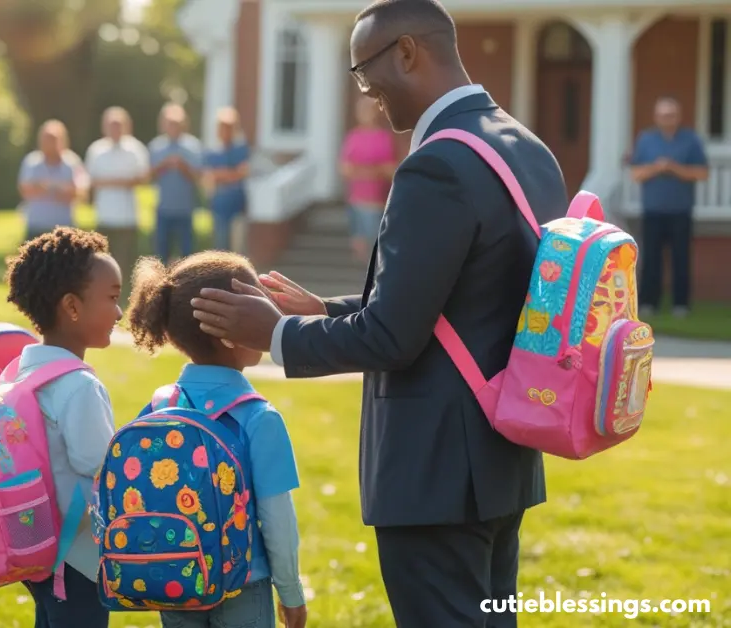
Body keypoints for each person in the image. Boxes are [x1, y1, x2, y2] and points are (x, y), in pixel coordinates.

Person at [188, 1, 567, 626]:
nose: (366, 92)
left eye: (364, 72)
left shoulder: (437, 164)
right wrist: (325, 310)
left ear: (408, 52)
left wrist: (277, 335)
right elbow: (465, 298)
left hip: (435, 475)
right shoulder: (525, 147)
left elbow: (393, 338)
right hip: (501, 458)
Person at [124, 252, 306, 628]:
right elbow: (277, 518)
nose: (270, 317)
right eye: (259, 309)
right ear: (229, 334)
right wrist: (290, 592)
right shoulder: (258, 418)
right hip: (243, 582)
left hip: (171, 576)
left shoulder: (158, 408)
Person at [3, 227, 122, 628]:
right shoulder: (79, 386)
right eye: (112, 298)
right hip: (80, 558)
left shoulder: (18, 373)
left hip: (38, 547)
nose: (119, 313)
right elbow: (104, 470)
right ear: (72, 306)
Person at [629, 95, 709, 318]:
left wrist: (674, 168)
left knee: (681, 259)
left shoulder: (690, 140)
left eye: (671, 115)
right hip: (652, 210)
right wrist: (657, 168)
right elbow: (636, 174)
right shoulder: (646, 140)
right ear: (656, 117)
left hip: (680, 210)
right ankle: (648, 302)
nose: (667, 119)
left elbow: (702, 173)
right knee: (651, 259)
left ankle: (681, 304)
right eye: (663, 115)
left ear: (678, 116)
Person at [85, 106, 149, 304]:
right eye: (111, 125)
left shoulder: (135, 149)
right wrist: (121, 181)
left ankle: (125, 297)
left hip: (127, 216)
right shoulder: (96, 150)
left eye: (118, 125)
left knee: (125, 260)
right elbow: (91, 180)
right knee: (103, 260)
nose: (115, 129)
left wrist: (111, 181)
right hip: (104, 215)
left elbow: (143, 177)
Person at [341, 96, 398, 261]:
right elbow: (345, 169)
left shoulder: (384, 138)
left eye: (369, 111)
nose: (366, 114)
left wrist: (363, 171)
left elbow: (390, 169)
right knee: (360, 246)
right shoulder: (353, 137)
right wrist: (373, 170)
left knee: (376, 246)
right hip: (356, 200)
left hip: (377, 202)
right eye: (362, 111)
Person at [148, 103, 203, 263]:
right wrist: (164, 165)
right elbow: (148, 176)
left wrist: (183, 166)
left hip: (185, 209)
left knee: (187, 256)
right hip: (163, 208)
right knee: (161, 254)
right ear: (163, 124)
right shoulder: (156, 146)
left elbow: (198, 178)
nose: (173, 127)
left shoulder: (193, 146)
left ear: (184, 124)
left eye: (177, 123)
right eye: (170, 123)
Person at [18, 120, 82, 241]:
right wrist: (59, 188)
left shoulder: (72, 163)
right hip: (36, 226)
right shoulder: (31, 162)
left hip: (65, 228)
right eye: (46, 139)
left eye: (53, 139)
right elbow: (26, 190)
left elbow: (78, 193)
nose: (49, 144)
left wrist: (44, 187)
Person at [203, 108, 251, 252]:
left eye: (230, 127)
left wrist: (221, 175)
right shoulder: (212, 153)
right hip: (219, 209)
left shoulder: (241, 150)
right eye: (223, 127)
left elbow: (242, 173)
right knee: (220, 250)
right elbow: (208, 178)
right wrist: (231, 173)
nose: (226, 131)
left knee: (238, 250)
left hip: (238, 208)